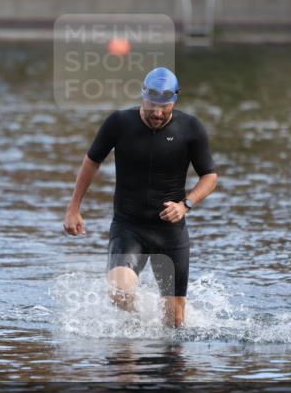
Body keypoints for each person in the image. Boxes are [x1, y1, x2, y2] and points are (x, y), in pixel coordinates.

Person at [63, 67, 218, 327]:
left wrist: (186, 205)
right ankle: (138, 326)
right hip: (129, 227)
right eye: (151, 107)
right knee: (119, 293)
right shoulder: (119, 123)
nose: (157, 113)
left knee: (175, 322)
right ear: (143, 97)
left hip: (170, 233)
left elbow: (210, 177)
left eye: (164, 108)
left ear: (175, 100)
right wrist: (73, 208)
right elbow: (91, 161)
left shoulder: (190, 128)